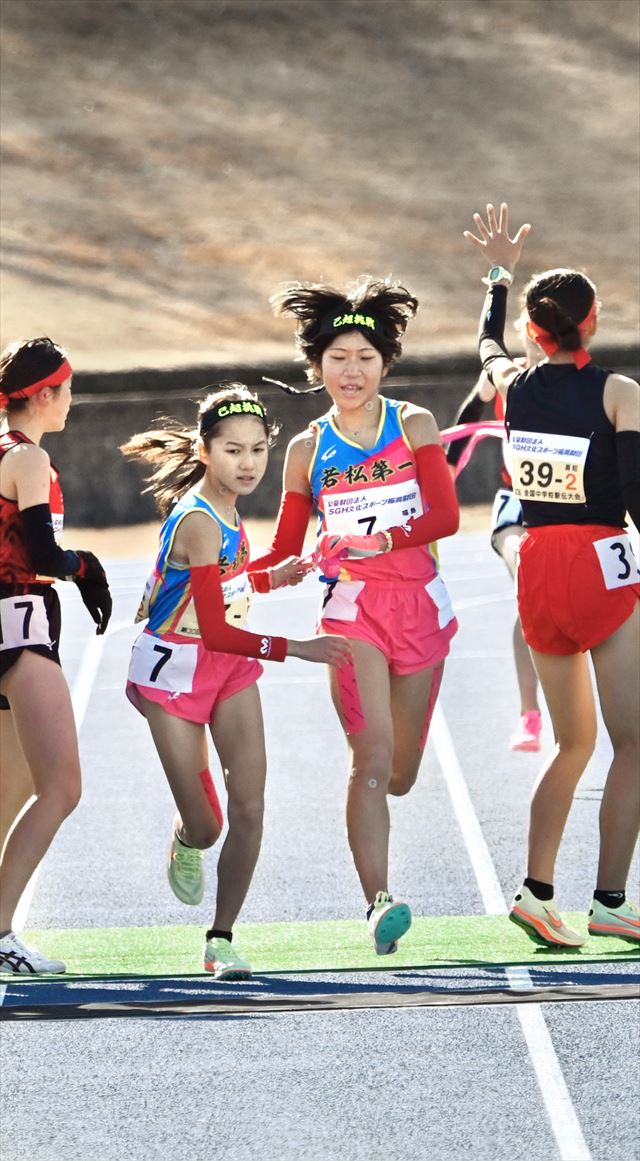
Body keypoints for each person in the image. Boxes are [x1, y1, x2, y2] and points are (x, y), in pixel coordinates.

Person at [251, 278, 460, 955]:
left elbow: (446, 515)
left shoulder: (414, 425)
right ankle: (379, 903)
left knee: (400, 772)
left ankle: (381, 869)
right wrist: (244, 572)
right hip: (351, 611)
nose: (351, 370)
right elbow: (286, 545)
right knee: (369, 759)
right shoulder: (307, 450)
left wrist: (386, 539)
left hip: (419, 606)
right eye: (338, 357)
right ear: (317, 366)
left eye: (365, 357)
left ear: (385, 364)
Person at [121, 384, 352, 980]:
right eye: (232, 450)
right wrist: (299, 647)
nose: (247, 463)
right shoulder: (197, 521)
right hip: (174, 672)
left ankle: (220, 939)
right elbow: (217, 628)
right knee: (209, 823)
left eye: (256, 450)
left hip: (226, 671)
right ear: (205, 451)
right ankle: (187, 836)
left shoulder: (231, 509)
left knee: (249, 805)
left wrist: (271, 578)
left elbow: (226, 587)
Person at [465, 202, 640, 946]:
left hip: (536, 567)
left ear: (537, 332)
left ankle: (536, 889)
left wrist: (498, 276)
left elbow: (484, 345)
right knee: (631, 743)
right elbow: (635, 493)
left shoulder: (513, 384)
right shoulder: (620, 392)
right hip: (600, 564)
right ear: (592, 322)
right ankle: (609, 898)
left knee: (571, 744)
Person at [0, 337, 112, 975]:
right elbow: (42, 554)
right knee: (61, 787)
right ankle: (1, 931)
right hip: (18, 627)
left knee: (10, 789)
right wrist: (86, 566)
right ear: (44, 394)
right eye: (67, 390)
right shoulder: (30, 458)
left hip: (11, 625)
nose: (71, 401)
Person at [446, 328, 543, 752]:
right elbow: (465, 423)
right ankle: (530, 714)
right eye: (533, 326)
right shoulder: (508, 377)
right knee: (531, 583)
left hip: (572, 510)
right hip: (516, 505)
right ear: (526, 331)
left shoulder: (593, 384)